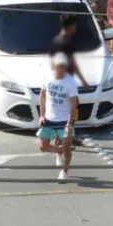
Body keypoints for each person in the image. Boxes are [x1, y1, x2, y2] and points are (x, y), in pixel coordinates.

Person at [37, 52, 79, 183]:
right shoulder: (47, 78)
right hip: (49, 119)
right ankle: (59, 151)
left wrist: (69, 123)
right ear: (53, 66)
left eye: (63, 67)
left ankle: (64, 172)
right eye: (58, 67)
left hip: (64, 119)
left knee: (67, 144)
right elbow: (42, 96)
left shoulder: (70, 82)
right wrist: (41, 115)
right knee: (42, 146)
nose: (60, 70)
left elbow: (74, 104)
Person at [50, 14, 88, 146]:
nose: (76, 28)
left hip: (61, 81)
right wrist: (83, 81)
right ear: (70, 25)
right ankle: (61, 139)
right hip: (66, 82)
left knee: (70, 109)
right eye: (75, 25)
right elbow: (73, 64)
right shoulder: (66, 42)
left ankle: (69, 136)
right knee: (70, 109)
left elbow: (52, 63)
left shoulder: (56, 40)